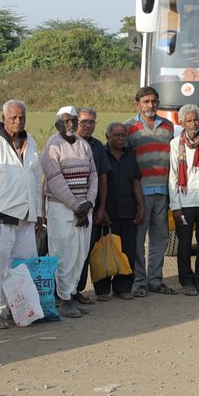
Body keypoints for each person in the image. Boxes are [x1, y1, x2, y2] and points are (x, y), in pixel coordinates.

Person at [0, 99, 45, 329]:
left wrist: (38, 214)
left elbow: (35, 179)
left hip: (26, 218)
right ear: (4, 118)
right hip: (1, 218)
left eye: (22, 117)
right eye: (13, 117)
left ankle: (21, 309)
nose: (18, 121)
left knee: (24, 266)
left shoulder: (30, 142)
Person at [43, 105, 98, 318]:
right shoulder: (52, 146)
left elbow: (93, 175)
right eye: (66, 121)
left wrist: (89, 203)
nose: (71, 124)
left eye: (74, 120)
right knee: (63, 254)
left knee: (79, 254)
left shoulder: (84, 145)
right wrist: (76, 206)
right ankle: (64, 300)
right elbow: (55, 181)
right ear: (57, 123)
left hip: (84, 208)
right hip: (62, 209)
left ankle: (72, 295)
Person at [127, 87, 177, 297]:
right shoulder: (129, 127)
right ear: (137, 104)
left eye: (153, 101)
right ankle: (139, 282)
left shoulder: (168, 127)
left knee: (160, 238)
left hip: (163, 191)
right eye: (146, 102)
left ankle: (155, 280)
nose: (150, 105)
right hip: (140, 193)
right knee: (138, 240)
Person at [168, 104, 199, 295]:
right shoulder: (174, 144)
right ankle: (186, 281)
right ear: (182, 123)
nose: (193, 123)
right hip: (184, 201)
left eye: (196, 119)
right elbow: (172, 175)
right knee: (185, 245)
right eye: (189, 120)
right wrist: (175, 206)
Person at [100, 121, 144, 300]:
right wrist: (101, 210)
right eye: (116, 135)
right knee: (105, 250)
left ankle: (123, 287)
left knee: (128, 250)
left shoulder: (130, 155)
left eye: (123, 136)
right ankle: (102, 289)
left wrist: (141, 207)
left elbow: (135, 182)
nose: (120, 139)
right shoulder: (101, 154)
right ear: (107, 137)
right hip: (107, 211)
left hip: (128, 210)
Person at [74, 107, 114, 302]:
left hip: (92, 208)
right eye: (84, 122)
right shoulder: (67, 142)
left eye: (91, 122)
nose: (88, 125)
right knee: (68, 250)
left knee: (86, 249)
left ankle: (78, 289)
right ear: (75, 122)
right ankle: (65, 291)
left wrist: (101, 208)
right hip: (68, 207)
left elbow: (103, 178)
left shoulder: (97, 146)